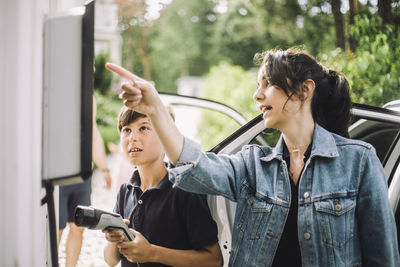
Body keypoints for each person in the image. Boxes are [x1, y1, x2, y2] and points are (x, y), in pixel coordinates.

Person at [105, 47, 400, 267]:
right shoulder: (253, 165)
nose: (257, 96)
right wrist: (155, 108)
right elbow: (196, 166)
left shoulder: (359, 161)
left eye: (266, 84)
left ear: (303, 91)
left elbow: (382, 257)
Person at [103, 106, 222, 267]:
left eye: (144, 128)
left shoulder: (185, 189)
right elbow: (110, 260)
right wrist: (114, 240)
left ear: (166, 136)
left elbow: (213, 260)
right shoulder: (126, 190)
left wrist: (152, 253)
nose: (133, 138)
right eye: (127, 130)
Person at [59, 98, 112, 267]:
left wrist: (104, 168)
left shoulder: (88, 98)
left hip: (82, 175)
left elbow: (93, 133)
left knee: (78, 226)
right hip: (58, 177)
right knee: (56, 229)